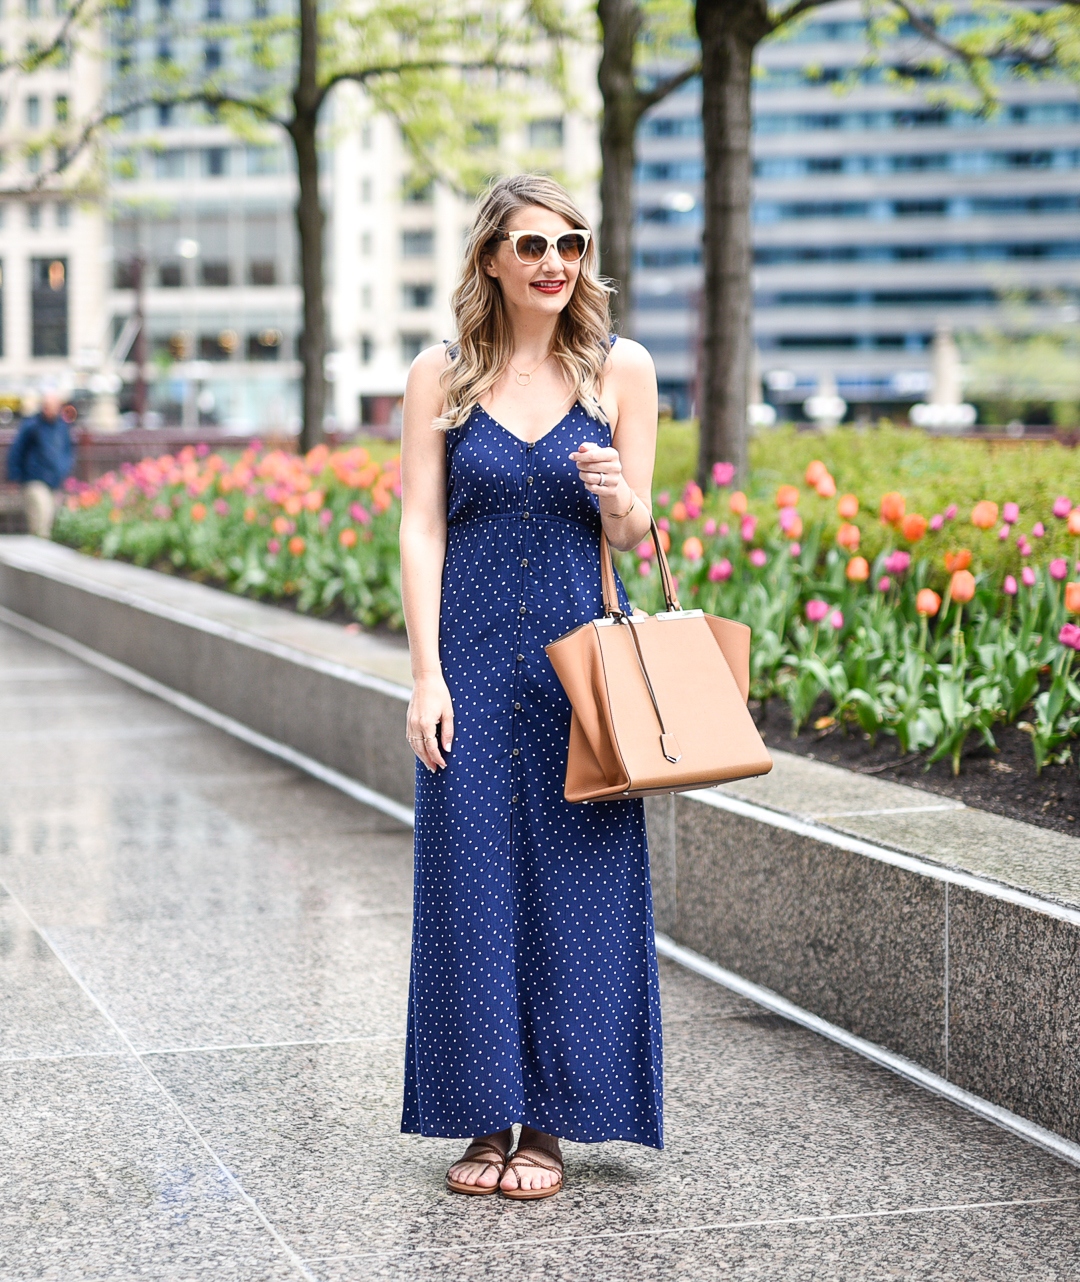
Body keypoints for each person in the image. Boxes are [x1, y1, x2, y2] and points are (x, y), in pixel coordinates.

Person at [398, 173, 663, 1201]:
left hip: (579, 670)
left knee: (578, 888)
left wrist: (622, 499)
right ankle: (480, 1115)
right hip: (467, 662)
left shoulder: (617, 369)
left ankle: (547, 1126)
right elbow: (421, 527)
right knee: (466, 887)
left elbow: (635, 533)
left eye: (572, 244)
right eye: (533, 246)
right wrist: (424, 673)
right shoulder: (442, 376)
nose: (556, 262)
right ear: (491, 262)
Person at [6, 391, 74, 538]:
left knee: (51, 518)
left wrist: (64, 470)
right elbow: (17, 451)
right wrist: (14, 475)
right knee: (41, 514)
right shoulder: (32, 426)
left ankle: (41, 547)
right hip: (34, 478)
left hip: (54, 480)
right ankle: (39, 547)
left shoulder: (61, 427)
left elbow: (67, 451)